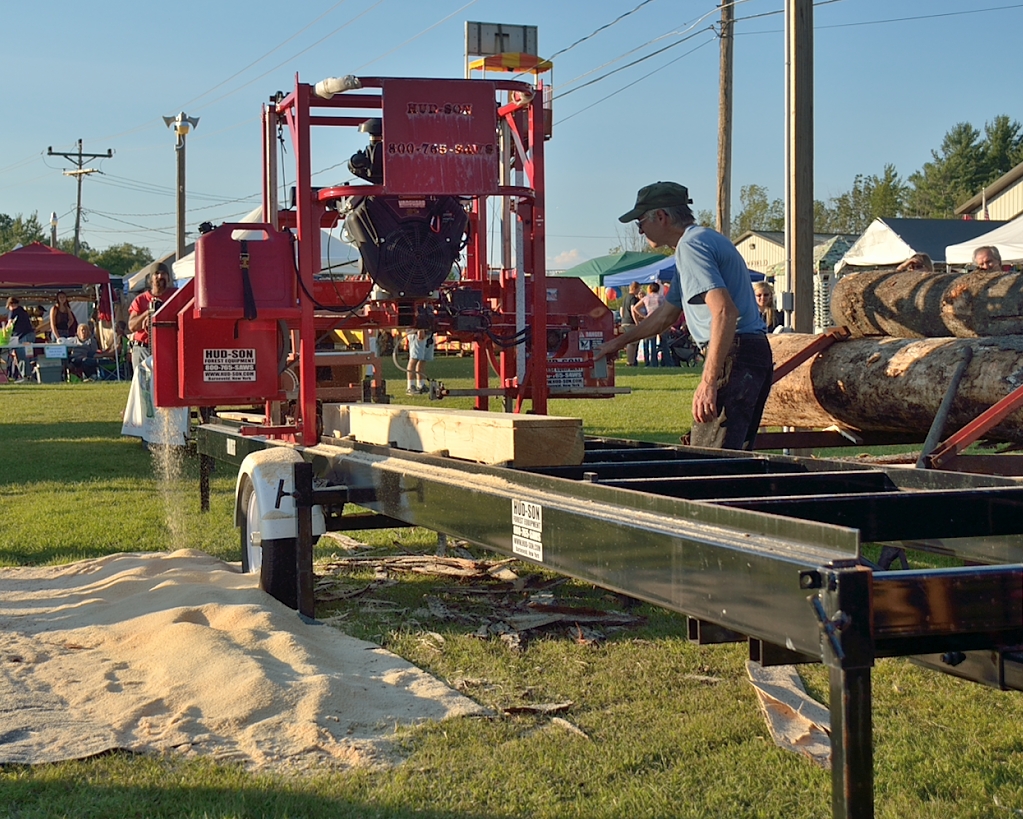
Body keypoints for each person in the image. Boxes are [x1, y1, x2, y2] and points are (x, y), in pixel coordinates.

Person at [595, 182, 772, 451]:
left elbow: (724, 312)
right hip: (752, 351)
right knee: (734, 459)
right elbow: (666, 315)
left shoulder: (691, 246)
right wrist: (617, 343)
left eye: (640, 222)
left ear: (661, 216)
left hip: (735, 353)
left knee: (710, 460)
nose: (640, 230)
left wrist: (708, 382)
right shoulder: (703, 240)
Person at [128, 263, 174, 371]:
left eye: (163, 273)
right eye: (156, 274)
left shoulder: (175, 295)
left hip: (167, 348)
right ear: (150, 279)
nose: (160, 276)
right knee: (142, 380)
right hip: (143, 348)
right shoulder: (141, 299)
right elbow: (132, 326)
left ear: (168, 278)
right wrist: (149, 312)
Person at [633, 281, 665, 366]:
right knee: (664, 342)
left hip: (650, 320)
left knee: (651, 341)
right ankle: (666, 361)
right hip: (660, 320)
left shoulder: (646, 298)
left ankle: (652, 362)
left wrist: (643, 316)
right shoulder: (661, 297)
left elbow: (635, 308)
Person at [5, 296, 36, 380]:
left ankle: (25, 376)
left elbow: (9, 325)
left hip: (22, 336)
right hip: (30, 335)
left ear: (10, 305)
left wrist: (5, 332)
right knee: (29, 356)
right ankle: (31, 376)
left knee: (22, 357)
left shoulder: (13, 311)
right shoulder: (23, 311)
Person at [405, 315, 434, 395]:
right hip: (416, 333)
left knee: (423, 360)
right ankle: (410, 386)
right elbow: (417, 314)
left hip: (428, 333)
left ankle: (421, 384)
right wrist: (420, 329)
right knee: (414, 359)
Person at [619, 281, 641, 366]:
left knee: (630, 342)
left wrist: (623, 318)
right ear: (635, 288)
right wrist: (637, 322)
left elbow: (621, 310)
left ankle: (631, 361)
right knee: (632, 343)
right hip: (631, 323)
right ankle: (630, 362)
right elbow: (633, 309)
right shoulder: (633, 298)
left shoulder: (626, 298)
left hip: (624, 321)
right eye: (638, 288)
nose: (639, 291)